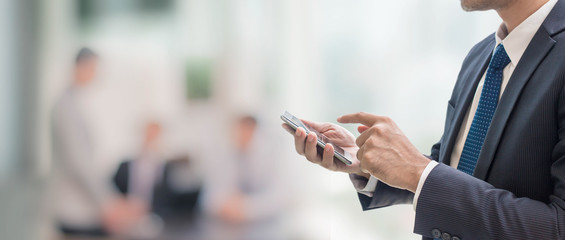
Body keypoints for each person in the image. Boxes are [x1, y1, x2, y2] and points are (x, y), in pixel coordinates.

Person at [284, 0, 565, 239]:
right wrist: (365, 163)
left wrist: (419, 172)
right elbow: (454, 172)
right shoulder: (482, 56)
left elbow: (558, 226)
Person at [51, 48, 144, 237]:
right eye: (94, 69)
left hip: (83, 206)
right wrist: (110, 203)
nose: (96, 75)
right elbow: (79, 163)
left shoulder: (73, 103)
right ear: (81, 67)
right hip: (76, 210)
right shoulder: (66, 108)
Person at [200, 115, 289, 240]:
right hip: (229, 230)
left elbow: (279, 198)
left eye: (247, 131)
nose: (241, 136)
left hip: (266, 229)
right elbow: (207, 199)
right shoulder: (225, 154)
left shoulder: (273, 156)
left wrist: (245, 208)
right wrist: (223, 205)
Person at [112, 121, 200, 224]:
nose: (151, 139)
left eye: (155, 135)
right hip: (127, 217)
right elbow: (113, 190)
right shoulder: (125, 166)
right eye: (149, 135)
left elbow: (181, 192)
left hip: (160, 218)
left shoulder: (169, 167)